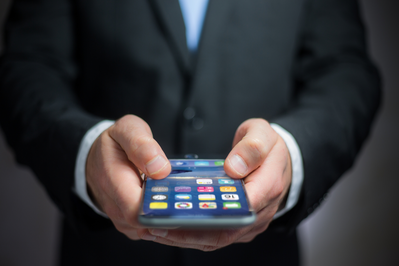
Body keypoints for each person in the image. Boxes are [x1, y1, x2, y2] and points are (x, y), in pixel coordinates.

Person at [0, 0, 380, 265]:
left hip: (258, 258)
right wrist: (86, 156)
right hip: (106, 254)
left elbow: (345, 72)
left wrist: (292, 156)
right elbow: (26, 67)